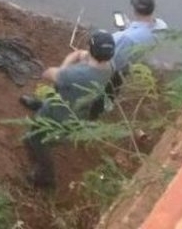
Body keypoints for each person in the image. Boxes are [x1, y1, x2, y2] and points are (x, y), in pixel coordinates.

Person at [19, 30, 116, 189]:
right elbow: (80, 54)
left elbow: (48, 73)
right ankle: (40, 104)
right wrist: (79, 58)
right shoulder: (110, 66)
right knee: (55, 96)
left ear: (91, 49)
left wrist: (63, 69)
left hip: (59, 116)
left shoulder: (76, 74)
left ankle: (45, 176)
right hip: (78, 109)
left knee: (37, 140)